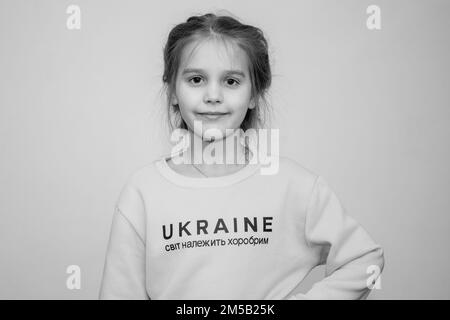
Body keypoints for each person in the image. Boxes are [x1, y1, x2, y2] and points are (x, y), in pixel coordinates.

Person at [99, 12, 384, 300]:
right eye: (196, 79)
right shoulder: (143, 192)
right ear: (173, 90)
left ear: (253, 95)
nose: (213, 95)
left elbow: (363, 259)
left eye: (231, 81)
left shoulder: (293, 185)